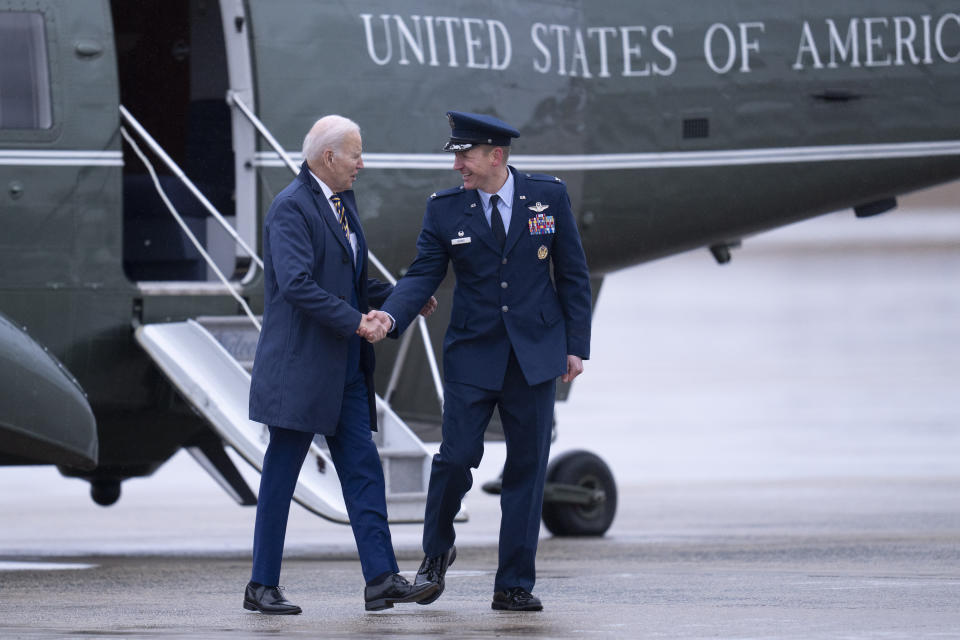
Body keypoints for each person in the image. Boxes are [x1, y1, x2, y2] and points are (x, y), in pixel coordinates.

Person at [377, 111, 592, 611]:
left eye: (465, 154)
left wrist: (575, 345)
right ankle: (435, 554)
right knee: (454, 459)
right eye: (455, 155)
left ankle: (514, 583)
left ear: (496, 155)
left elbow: (573, 274)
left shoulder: (548, 197)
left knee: (527, 468)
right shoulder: (445, 211)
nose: (458, 165)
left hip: (535, 355)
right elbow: (421, 276)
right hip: (473, 354)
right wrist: (390, 317)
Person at [244, 115, 438, 614]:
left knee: (363, 471)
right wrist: (358, 322)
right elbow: (296, 285)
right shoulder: (291, 208)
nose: (362, 163)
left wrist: (399, 300)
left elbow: (347, 283)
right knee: (281, 477)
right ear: (329, 157)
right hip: (302, 369)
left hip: (347, 368)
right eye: (355, 153)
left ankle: (381, 579)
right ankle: (261, 585)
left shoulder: (340, 204)